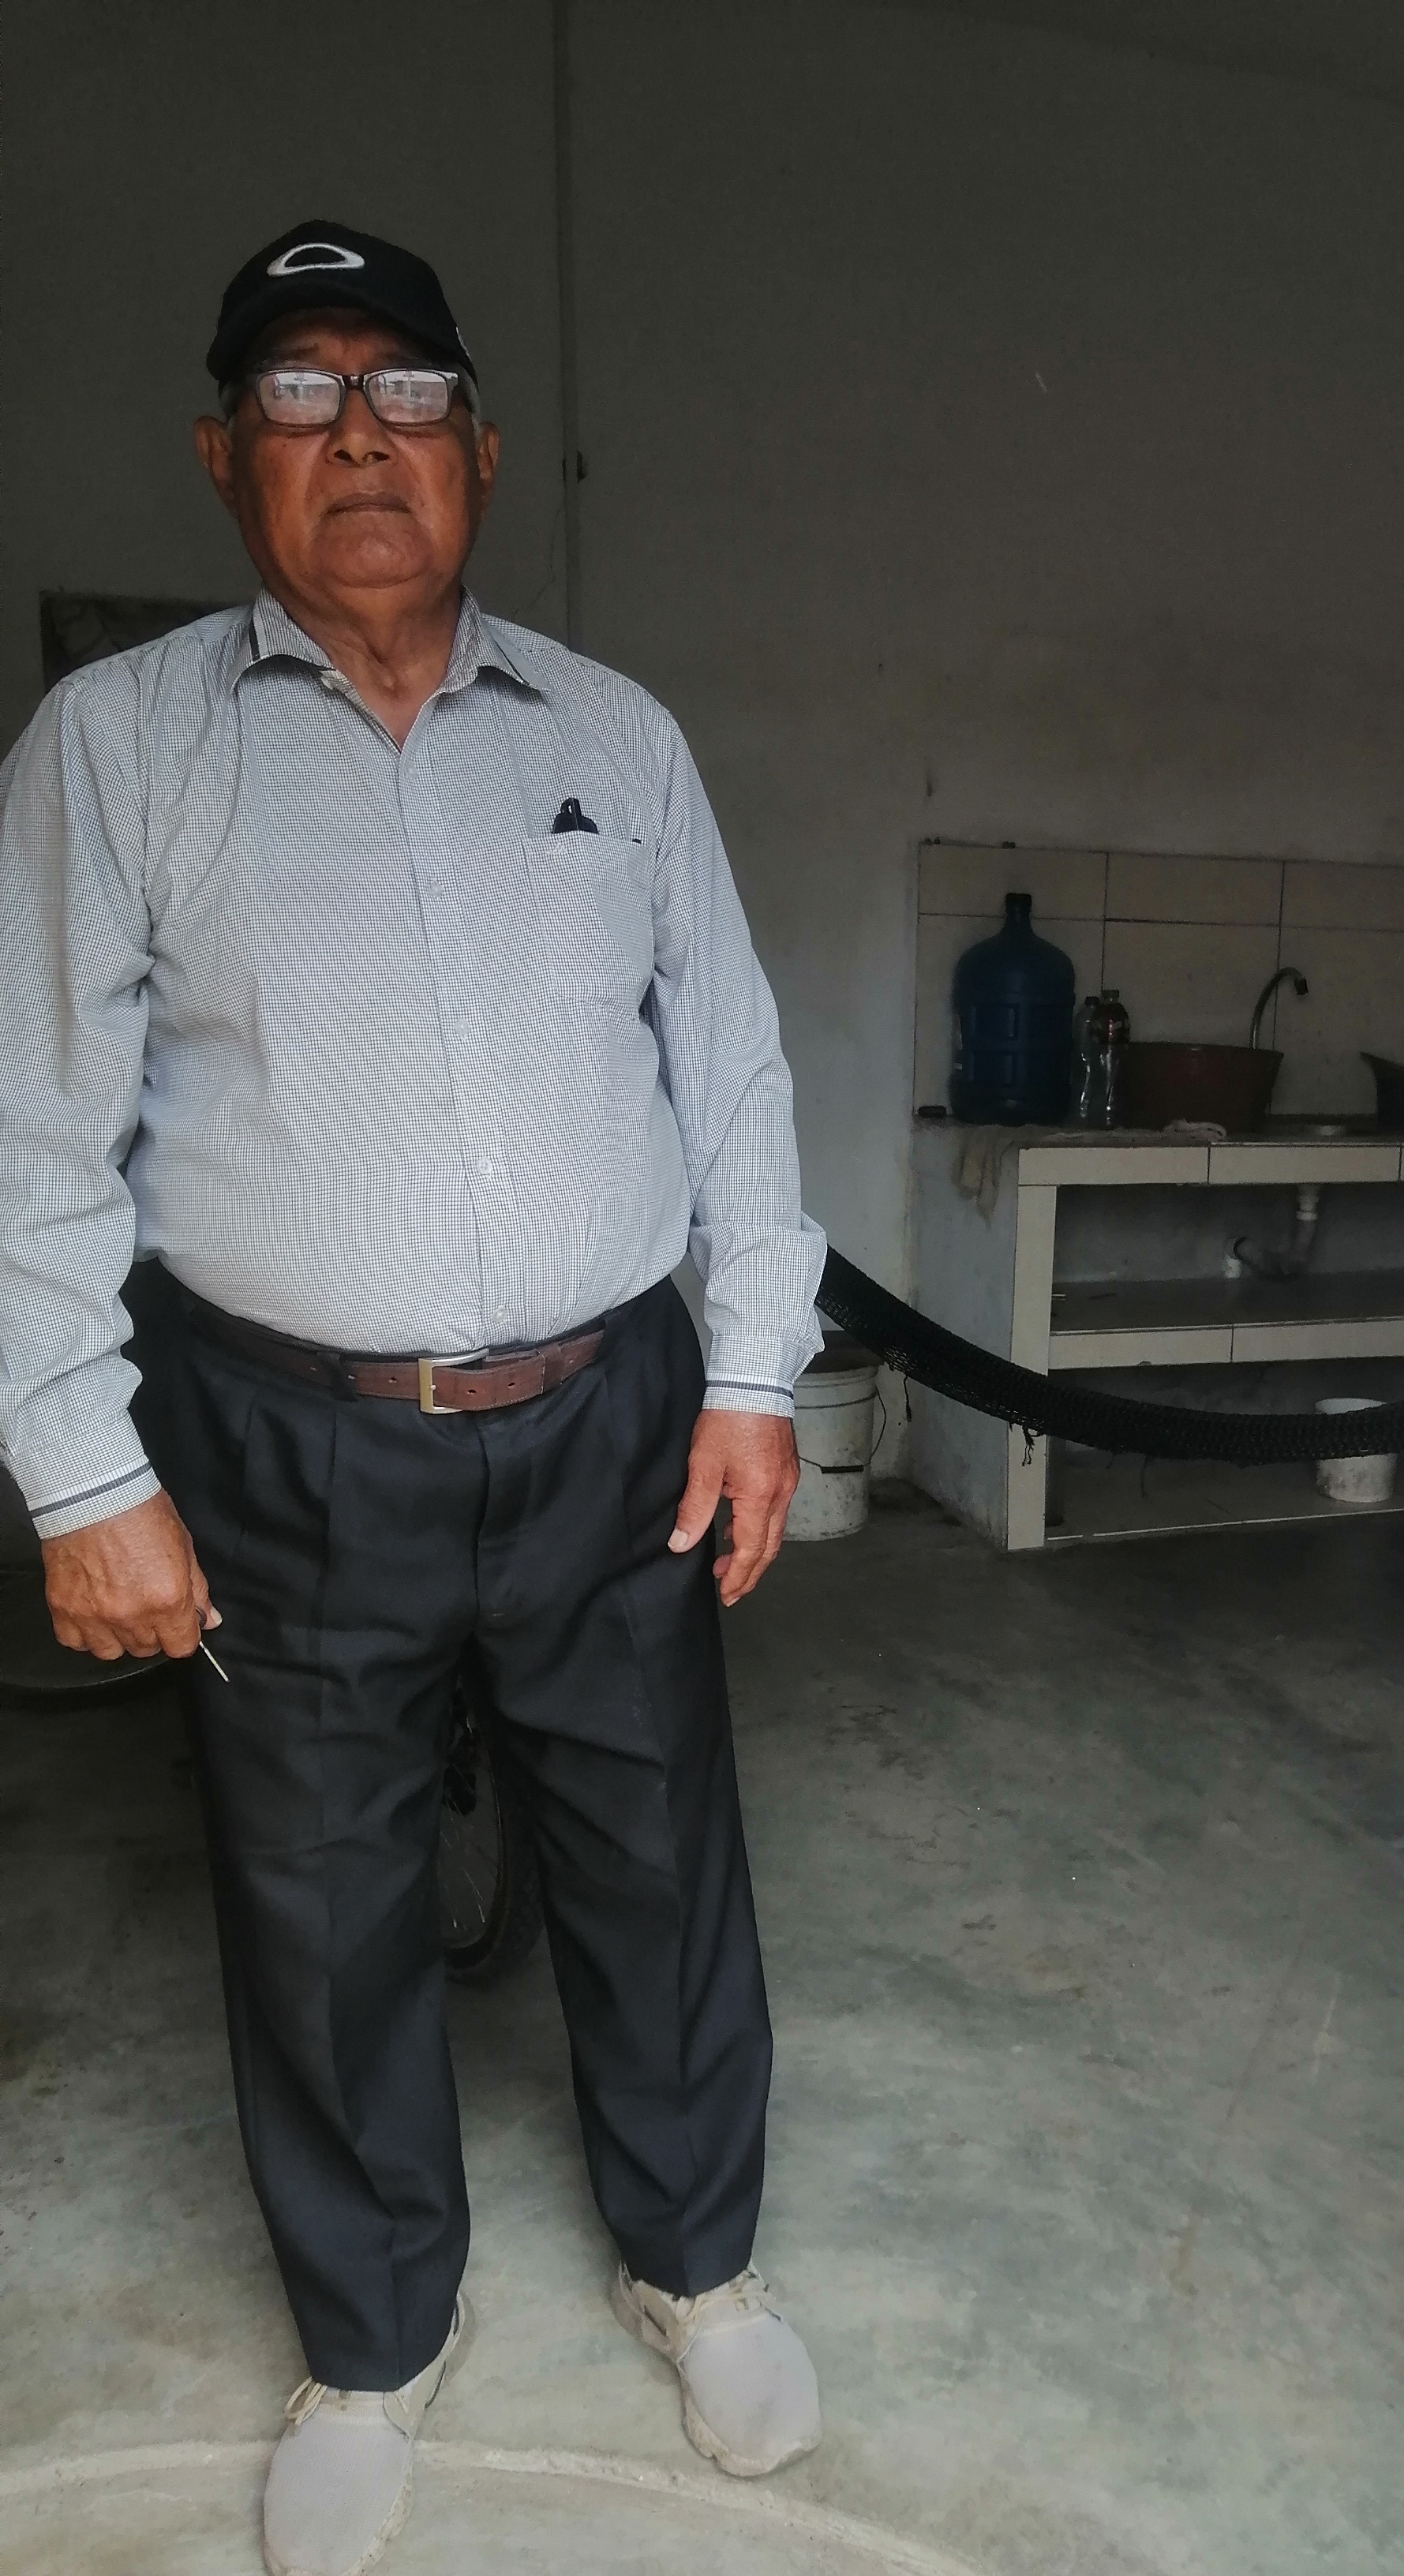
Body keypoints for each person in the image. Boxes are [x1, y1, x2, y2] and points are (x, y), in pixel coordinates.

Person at [0, 219, 828, 2576]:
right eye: (298, 392)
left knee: (657, 1851)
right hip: (282, 1437)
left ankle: (698, 2266)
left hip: (610, 1417)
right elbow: (31, 1130)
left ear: (477, 444)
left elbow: (732, 1065)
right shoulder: (117, 743)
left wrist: (754, 1371)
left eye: (403, 389)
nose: (356, 436)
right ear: (222, 456)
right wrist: (79, 1467)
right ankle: (373, 2341)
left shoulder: (611, 736)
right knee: (320, 1888)